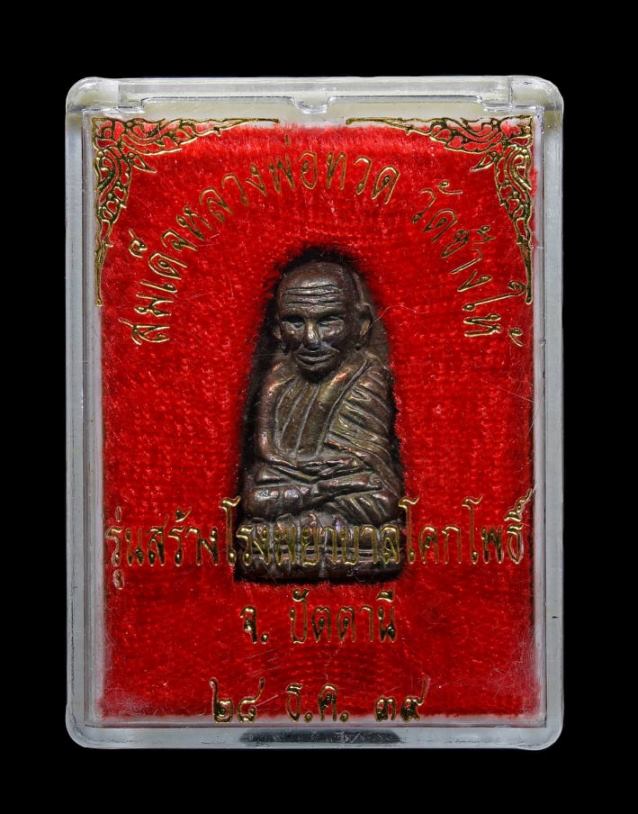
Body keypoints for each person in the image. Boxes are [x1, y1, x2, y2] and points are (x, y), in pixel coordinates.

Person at [239, 250, 403, 578]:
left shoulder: (366, 376)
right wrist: (321, 485)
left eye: (327, 321)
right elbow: (269, 457)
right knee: (256, 496)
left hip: (349, 493)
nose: (311, 340)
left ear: (361, 324)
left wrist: (317, 479)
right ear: (277, 329)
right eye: (295, 322)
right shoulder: (276, 382)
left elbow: (372, 471)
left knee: (381, 500)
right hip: (316, 485)